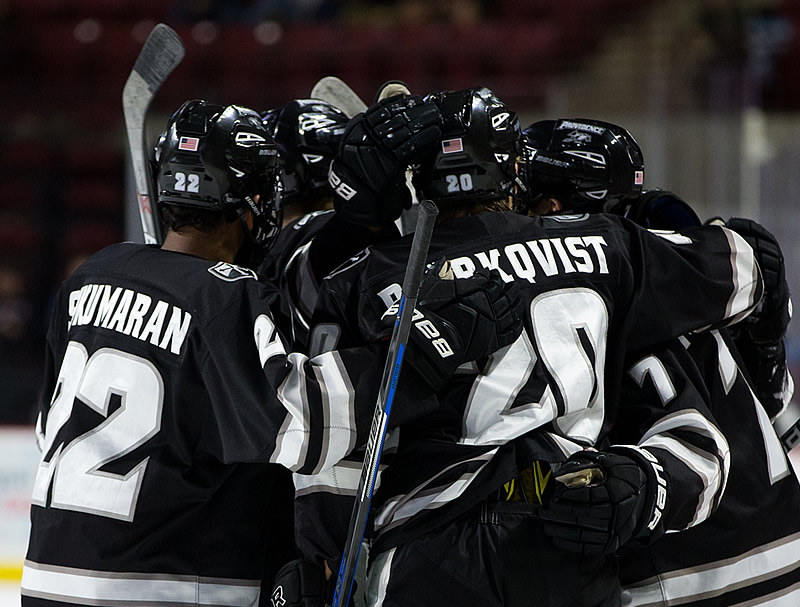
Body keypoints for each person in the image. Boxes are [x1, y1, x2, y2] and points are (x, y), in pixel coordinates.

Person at [19, 99, 522, 607]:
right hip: (167, 585)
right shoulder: (224, 296)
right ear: (253, 201)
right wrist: (420, 353)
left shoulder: (90, 276)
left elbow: (48, 429)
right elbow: (304, 427)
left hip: (45, 581)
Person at [275, 88, 764, 607]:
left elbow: (338, 442)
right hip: (567, 531)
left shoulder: (366, 274)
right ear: (512, 170)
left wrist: (325, 555)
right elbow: (745, 270)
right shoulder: (608, 243)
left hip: (429, 547)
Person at [518, 117, 800, 606]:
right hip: (785, 551)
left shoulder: (591, 309)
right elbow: (781, 419)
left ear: (554, 208)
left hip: (690, 579)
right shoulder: (691, 273)